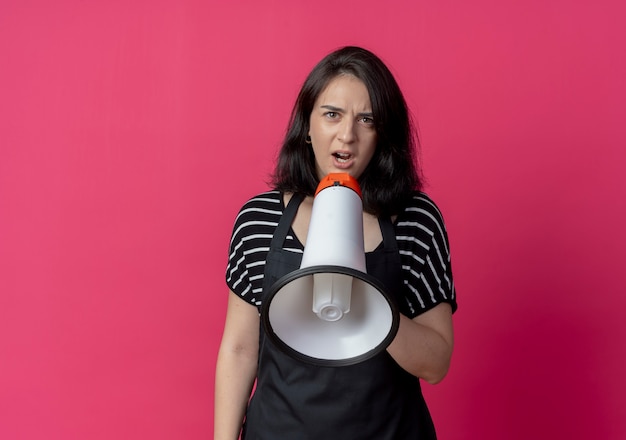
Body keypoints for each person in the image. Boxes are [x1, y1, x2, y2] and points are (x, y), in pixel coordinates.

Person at [215, 46, 457, 440]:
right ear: (306, 126)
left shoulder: (416, 219)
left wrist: (372, 310)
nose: (348, 135)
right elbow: (240, 349)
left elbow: (436, 363)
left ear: (383, 134)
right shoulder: (259, 219)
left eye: (367, 119)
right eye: (332, 114)